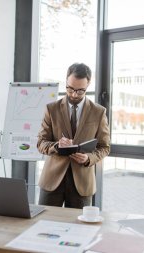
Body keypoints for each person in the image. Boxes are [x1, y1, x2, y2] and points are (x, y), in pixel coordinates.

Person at [37, 63, 110, 209]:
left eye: (80, 91)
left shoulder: (98, 112)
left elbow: (104, 147)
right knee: (44, 223)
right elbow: (41, 143)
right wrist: (56, 146)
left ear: (88, 85)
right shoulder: (51, 109)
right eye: (70, 89)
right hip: (52, 180)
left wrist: (89, 158)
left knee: (79, 228)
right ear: (66, 81)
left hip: (82, 182)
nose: (74, 94)